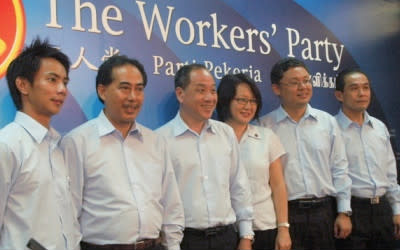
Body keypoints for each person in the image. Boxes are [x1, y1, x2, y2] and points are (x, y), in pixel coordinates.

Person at [60, 55, 184, 250]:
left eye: (139, 89)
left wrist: (173, 245)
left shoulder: (156, 142)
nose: (133, 97)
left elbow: (171, 202)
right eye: (125, 88)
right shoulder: (77, 142)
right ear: (102, 91)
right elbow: (68, 213)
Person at [156, 64, 254, 250]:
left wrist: (246, 235)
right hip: (186, 241)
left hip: (227, 238)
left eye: (212, 91)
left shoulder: (225, 133)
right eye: (201, 91)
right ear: (180, 94)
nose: (209, 98)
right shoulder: (161, 140)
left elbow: (239, 186)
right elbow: (162, 200)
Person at [258, 57, 352, 250]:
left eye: (306, 80)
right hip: (285, 215)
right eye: (294, 83)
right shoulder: (264, 126)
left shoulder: (327, 122)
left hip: (324, 211)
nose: (303, 87)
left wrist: (343, 212)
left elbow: (339, 168)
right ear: (277, 89)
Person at [0, 38, 81, 250]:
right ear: (23, 84)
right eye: (52, 80)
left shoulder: (59, 146)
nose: (62, 89)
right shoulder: (7, 145)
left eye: (65, 82)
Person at [216, 73, 291, 250]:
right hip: (227, 230)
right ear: (226, 100)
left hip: (264, 226)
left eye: (253, 101)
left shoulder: (267, 136)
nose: (248, 106)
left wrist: (283, 228)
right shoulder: (213, 136)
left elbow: (278, 186)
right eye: (241, 100)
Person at [334, 68, 400, 249]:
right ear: (340, 95)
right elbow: (337, 173)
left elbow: (390, 172)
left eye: (366, 87)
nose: (362, 93)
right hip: (353, 210)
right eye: (354, 88)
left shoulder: (379, 127)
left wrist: (397, 209)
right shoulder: (331, 129)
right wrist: (344, 212)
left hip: (383, 209)